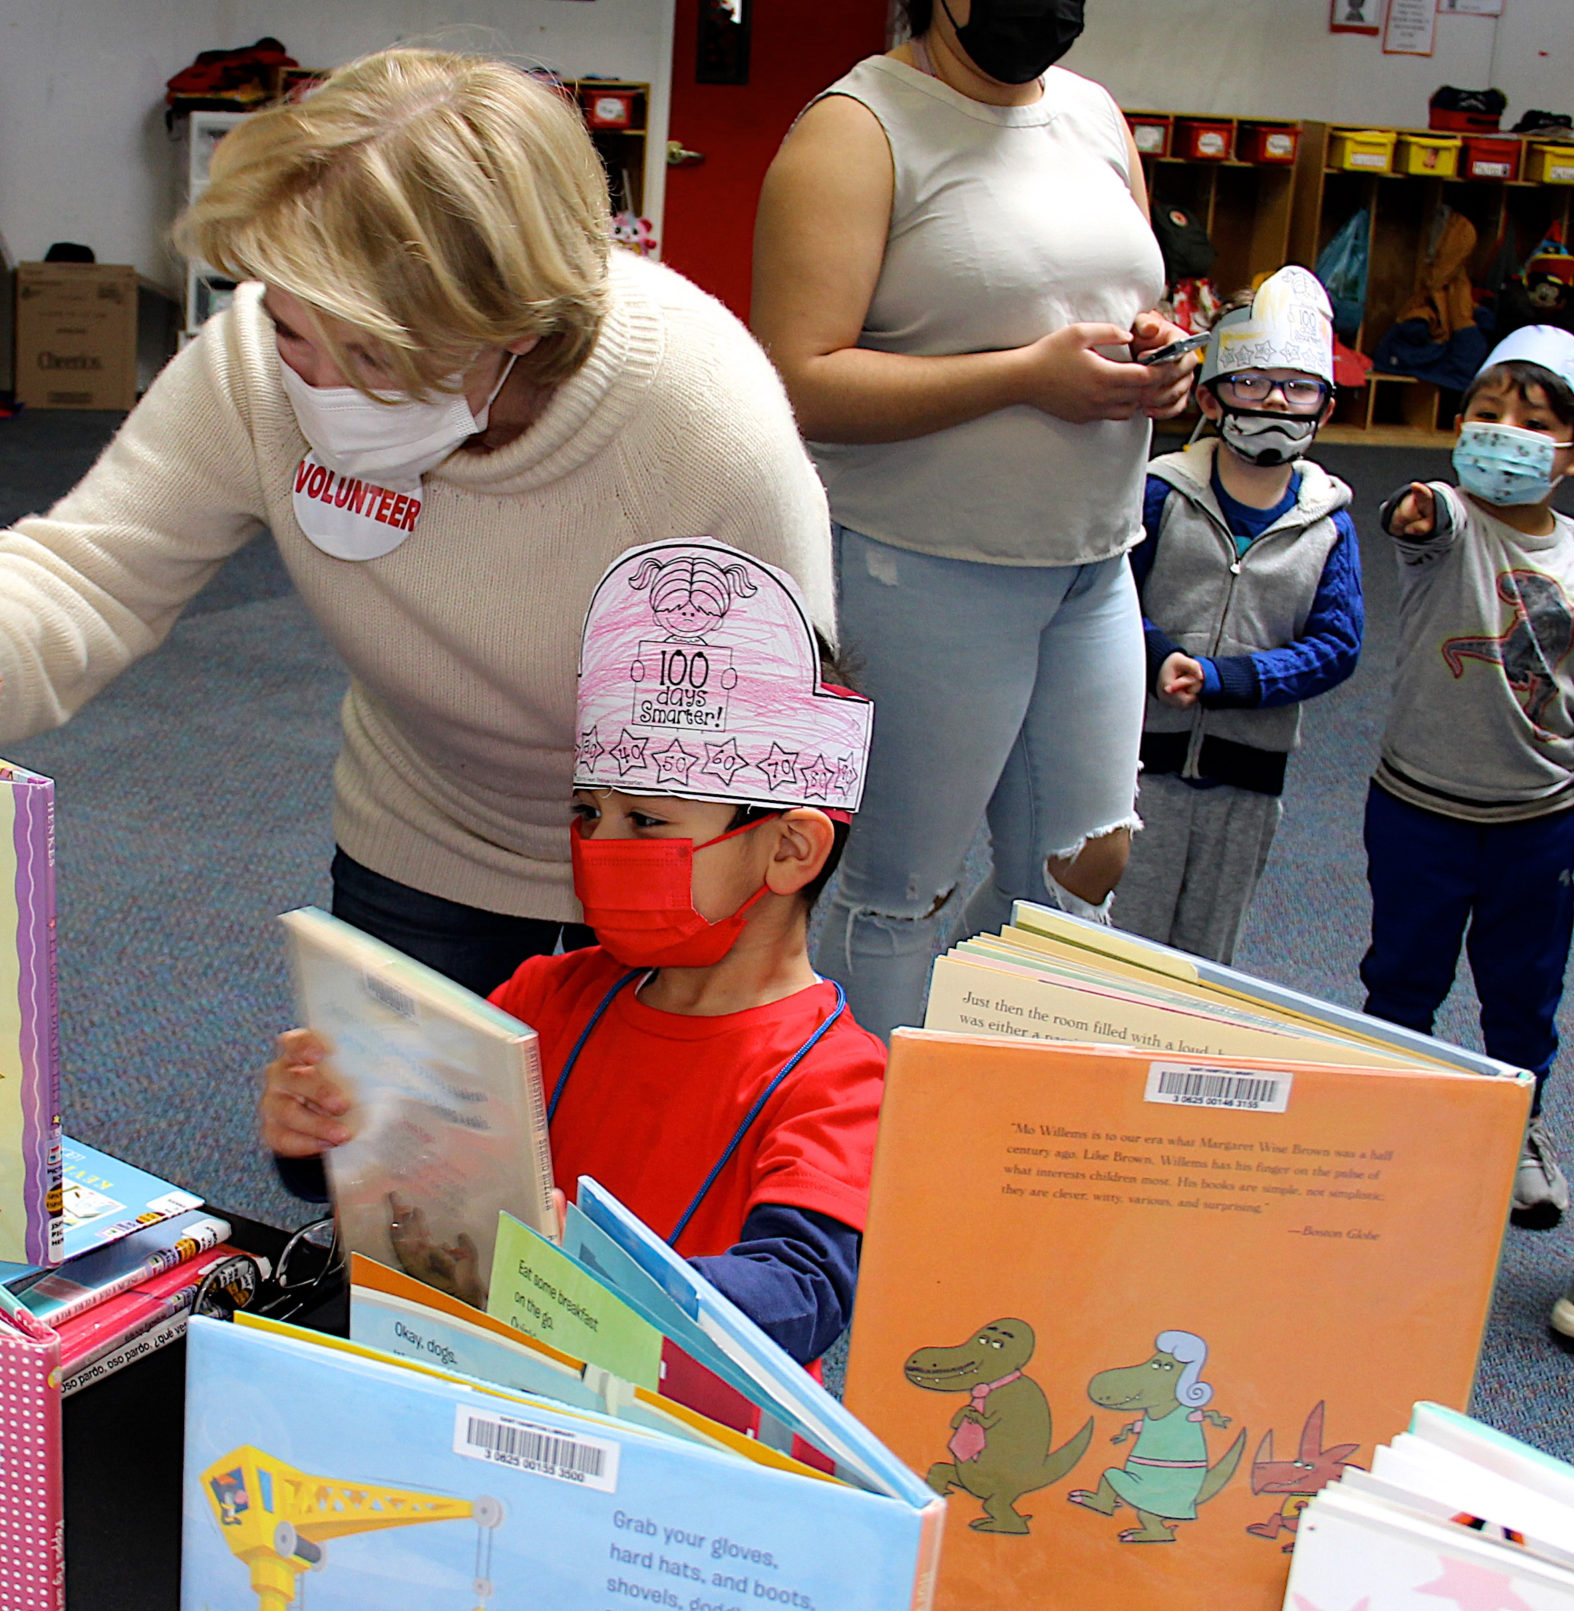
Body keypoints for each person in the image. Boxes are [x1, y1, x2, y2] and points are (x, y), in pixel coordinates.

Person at [0, 48, 833, 1000]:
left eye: (373, 356)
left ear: (512, 326)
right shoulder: (259, 356)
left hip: (666, 861)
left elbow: (781, 753)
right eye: (292, 328)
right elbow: (96, 564)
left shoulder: (699, 422)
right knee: (379, 1178)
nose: (315, 380)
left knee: (636, 1188)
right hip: (425, 828)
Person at [260, 542, 883, 1366]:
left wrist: (594, 1284)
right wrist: (328, 1131)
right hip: (487, 1388)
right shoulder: (542, 997)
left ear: (791, 850)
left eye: (647, 822)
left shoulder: (838, 1079)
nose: (599, 847)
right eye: (589, 815)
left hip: (671, 1452)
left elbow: (802, 1291)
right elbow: (414, 1180)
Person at [750, 0, 1193, 1037]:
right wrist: (1020, 380)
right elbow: (797, 380)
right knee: (897, 888)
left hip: (1091, 562)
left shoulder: (1090, 117)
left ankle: (970, 1095)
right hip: (923, 568)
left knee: (1085, 872)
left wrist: (1161, 355)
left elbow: (1123, 293)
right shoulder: (856, 129)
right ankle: (852, 1161)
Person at [1366, 327, 1574, 1262]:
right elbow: (1423, 517)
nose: (1505, 434)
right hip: (1420, 806)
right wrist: (1414, 513)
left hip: (1540, 819)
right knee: (1403, 974)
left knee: (1524, 992)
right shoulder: (1450, 520)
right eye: (1487, 414)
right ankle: (1382, 1124)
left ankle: (1512, 1127)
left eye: (1533, 423)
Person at [1112, 269, 1363, 964]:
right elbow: (1109, 599)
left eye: (1298, 385)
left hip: (1247, 779)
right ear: (1212, 395)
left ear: (1326, 405)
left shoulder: (1329, 524)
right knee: (1122, 943)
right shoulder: (1164, 493)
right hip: (1143, 766)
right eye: (1251, 381)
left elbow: (1338, 645)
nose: (1275, 400)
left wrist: (1233, 678)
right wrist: (1159, 655)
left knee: (1206, 957)